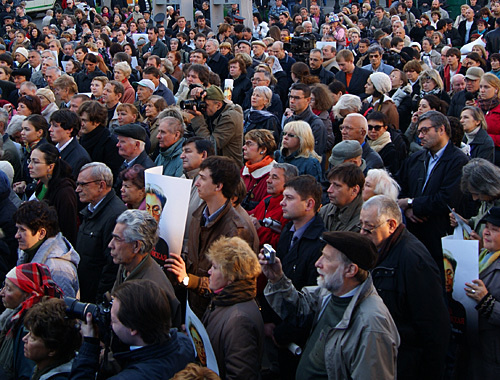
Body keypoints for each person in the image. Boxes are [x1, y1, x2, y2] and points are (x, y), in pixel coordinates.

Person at [261, 231, 400, 378]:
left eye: (327, 258)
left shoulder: (372, 325)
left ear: (351, 270)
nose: (318, 263)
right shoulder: (330, 291)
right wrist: (277, 279)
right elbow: (298, 310)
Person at [360, 195, 450, 379]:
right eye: (360, 225)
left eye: (368, 228)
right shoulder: (379, 249)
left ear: (391, 225)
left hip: (407, 363)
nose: (362, 233)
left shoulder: (413, 260)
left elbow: (433, 327)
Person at [165, 156, 259, 318]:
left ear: (218, 186)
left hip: (215, 313)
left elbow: (231, 285)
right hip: (193, 306)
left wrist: (188, 280)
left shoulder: (236, 231)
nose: (196, 183)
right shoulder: (199, 214)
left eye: (202, 178)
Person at [71, 279, 194, 379]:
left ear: (133, 329)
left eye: (113, 320)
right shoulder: (184, 343)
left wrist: (89, 345)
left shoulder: (134, 376)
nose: (110, 323)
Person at [397, 111, 469, 278]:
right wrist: (407, 208)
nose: (420, 136)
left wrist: (412, 204)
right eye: (419, 132)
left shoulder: (458, 161)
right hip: (413, 235)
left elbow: (446, 199)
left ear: (441, 129)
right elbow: (400, 186)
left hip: (439, 236)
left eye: (425, 131)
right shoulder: (417, 158)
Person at [202, 236, 264, 380]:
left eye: (215, 267)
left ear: (231, 276)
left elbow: (241, 375)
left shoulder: (239, 320)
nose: (209, 272)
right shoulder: (224, 298)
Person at [109, 209, 181, 328]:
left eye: (117, 239)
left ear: (136, 246)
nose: (110, 244)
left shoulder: (152, 289)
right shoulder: (126, 264)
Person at [0, 263, 63, 380]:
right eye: (3, 286)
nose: (2, 293)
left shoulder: (29, 327)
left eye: (8, 289)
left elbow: (27, 373)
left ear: (28, 295)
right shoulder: (14, 319)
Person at [75, 162, 127, 303]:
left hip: (95, 296)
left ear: (101, 185)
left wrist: (100, 300)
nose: (77, 189)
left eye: (83, 184)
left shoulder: (114, 216)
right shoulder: (91, 209)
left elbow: (112, 266)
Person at [461, 206, 500, 377]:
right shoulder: (483, 254)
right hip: (474, 344)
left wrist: (486, 301)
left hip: (493, 352)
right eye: (487, 227)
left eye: (495, 230)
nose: (486, 233)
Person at [26, 143, 78, 245]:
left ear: (50, 166)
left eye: (35, 162)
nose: (30, 166)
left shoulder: (65, 193)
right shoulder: (42, 185)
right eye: (30, 160)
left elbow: (68, 231)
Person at [22, 298, 81, 379]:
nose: (24, 339)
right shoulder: (42, 368)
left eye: (32, 338)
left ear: (52, 350)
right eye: (28, 333)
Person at [186, 85, 244, 166]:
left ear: (219, 105)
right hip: (215, 164)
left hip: (228, 168)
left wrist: (198, 119)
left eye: (205, 105)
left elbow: (210, 146)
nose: (203, 108)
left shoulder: (230, 117)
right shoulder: (214, 111)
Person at [248, 163, 298, 248]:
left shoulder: (289, 209)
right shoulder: (266, 200)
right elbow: (251, 214)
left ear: (289, 183)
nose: (268, 180)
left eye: (274, 177)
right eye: (269, 176)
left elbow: (282, 243)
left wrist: (259, 229)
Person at [450, 158, 500, 241]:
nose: (475, 198)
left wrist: (483, 247)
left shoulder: (491, 198)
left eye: (476, 194)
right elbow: (480, 218)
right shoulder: (489, 198)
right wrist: (465, 222)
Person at [77, 100, 123, 182]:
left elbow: (112, 175)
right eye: (80, 120)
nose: (81, 124)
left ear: (97, 122)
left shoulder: (110, 143)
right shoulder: (83, 137)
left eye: (84, 120)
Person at [283, 82, 326, 156]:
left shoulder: (316, 124)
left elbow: (315, 153)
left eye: (297, 98)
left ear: (308, 100)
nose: (292, 101)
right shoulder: (288, 121)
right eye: (291, 97)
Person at [320, 163, 364, 233]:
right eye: (330, 184)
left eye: (337, 185)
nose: (329, 190)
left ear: (354, 190)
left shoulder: (364, 219)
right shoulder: (324, 212)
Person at [240, 129, 277, 211]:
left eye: (249, 144)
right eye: (244, 143)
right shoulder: (244, 169)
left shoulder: (273, 175)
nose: (244, 147)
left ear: (263, 150)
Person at [49, 109, 90, 180]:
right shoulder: (53, 149)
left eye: (55, 126)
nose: (50, 129)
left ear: (69, 129)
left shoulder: (80, 158)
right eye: (51, 125)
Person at [476, 73, 500, 166]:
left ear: (496, 89)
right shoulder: (477, 107)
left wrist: (486, 138)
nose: (482, 90)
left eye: (486, 87)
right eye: (481, 86)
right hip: (477, 151)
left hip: (496, 153)